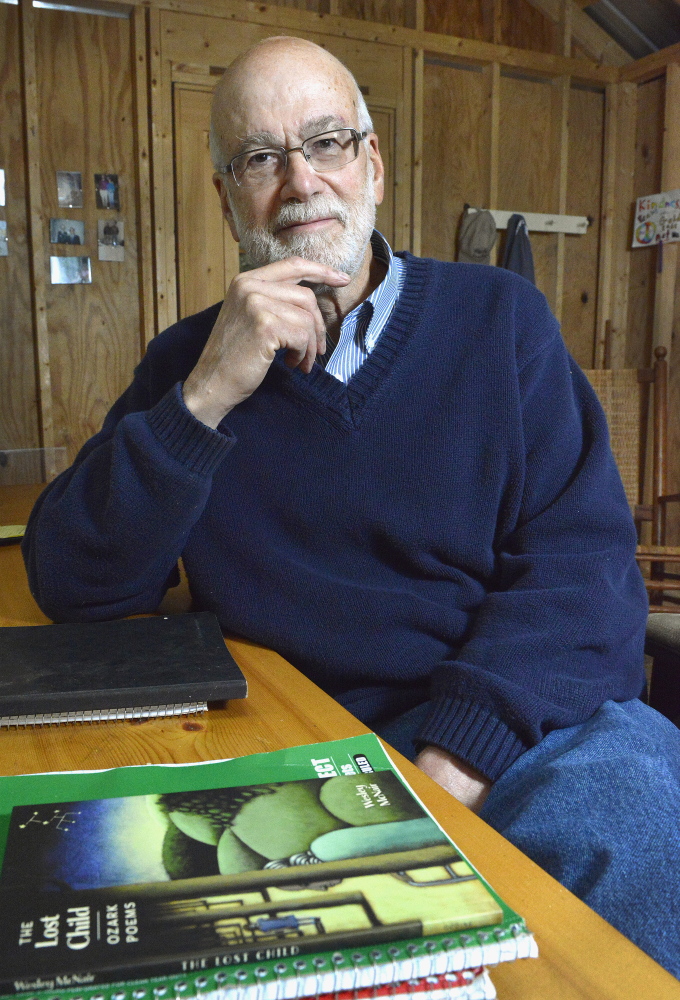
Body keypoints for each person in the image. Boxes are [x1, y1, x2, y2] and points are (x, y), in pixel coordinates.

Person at [22, 36, 680, 975]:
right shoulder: (186, 366)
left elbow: (585, 581)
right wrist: (206, 397)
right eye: (260, 158)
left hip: (515, 731)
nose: (299, 183)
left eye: (326, 142)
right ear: (226, 196)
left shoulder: (502, 322)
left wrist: (445, 776)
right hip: (297, 750)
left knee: (645, 829)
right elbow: (72, 585)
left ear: (370, 164)